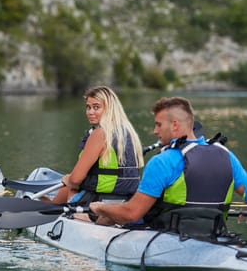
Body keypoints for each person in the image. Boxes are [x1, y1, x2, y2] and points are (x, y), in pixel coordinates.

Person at [90, 96, 247, 234]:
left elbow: (131, 213)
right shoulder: (226, 155)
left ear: (174, 125)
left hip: (167, 237)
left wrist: (100, 208)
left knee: (106, 218)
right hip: (214, 235)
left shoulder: (162, 162)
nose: (154, 131)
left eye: (158, 125)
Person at [46, 86, 144, 206]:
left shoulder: (100, 134)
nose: (90, 112)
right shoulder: (129, 132)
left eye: (96, 107)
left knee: (70, 185)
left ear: (110, 109)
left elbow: (76, 179)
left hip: (96, 200)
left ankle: (46, 210)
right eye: (88, 107)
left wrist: (69, 179)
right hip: (125, 201)